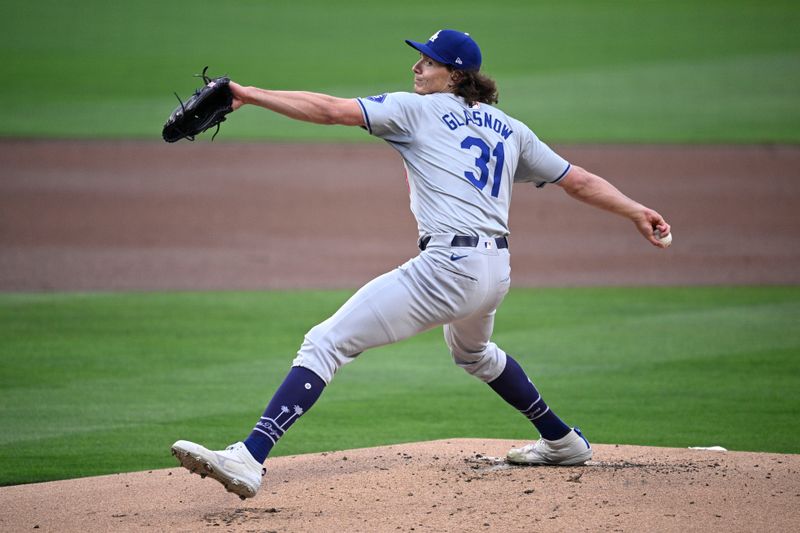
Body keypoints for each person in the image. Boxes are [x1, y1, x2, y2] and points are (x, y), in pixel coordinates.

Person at [171, 29, 671, 500]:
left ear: (454, 74)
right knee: (473, 354)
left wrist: (247, 93)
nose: (416, 66)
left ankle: (249, 456)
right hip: (496, 273)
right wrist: (637, 211)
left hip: (448, 270)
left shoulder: (417, 111)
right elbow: (577, 180)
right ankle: (562, 441)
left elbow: (329, 110)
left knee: (325, 342)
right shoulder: (510, 129)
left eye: (428, 60)